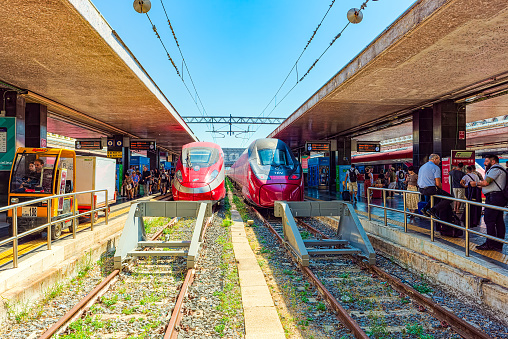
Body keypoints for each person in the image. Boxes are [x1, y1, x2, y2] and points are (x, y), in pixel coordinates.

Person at [473, 155, 507, 251]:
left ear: (493, 161)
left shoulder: (495, 169)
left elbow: (486, 182)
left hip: (494, 198)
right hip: (497, 197)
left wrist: (475, 183)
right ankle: (498, 244)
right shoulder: (499, 169)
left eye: (486, 161)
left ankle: (490, 244)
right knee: (498, 220)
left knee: (489, 220)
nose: (484, 163)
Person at [417, 154, 453, 218]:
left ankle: (425, 209)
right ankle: (433, 210)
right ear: (435, 159)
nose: (440, 161)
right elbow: (438, 183)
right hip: (430, 189)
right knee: (450, 198)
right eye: (439, 160)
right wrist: (441, 189)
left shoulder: (422, 167)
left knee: (437, 196)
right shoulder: (436, 167)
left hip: (421, 189)